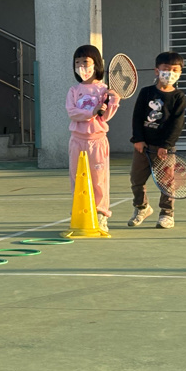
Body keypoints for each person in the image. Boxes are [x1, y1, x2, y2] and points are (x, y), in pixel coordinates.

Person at [128, 51, 186, 229]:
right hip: (143, 147)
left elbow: (177, 124)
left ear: (180, 73)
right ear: (157, 71)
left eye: (175, 70)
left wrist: (165, 145)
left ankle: (167, 214)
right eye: (166, 69)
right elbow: (137, 117)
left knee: (167, 183)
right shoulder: (146, 92)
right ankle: (141, 208)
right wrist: (138, 139)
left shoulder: (179, 97)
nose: (170, 73)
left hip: (164, 150)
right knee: (136, 180)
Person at [66, 44, 120, 233]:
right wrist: (91, 111)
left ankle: (100, 215)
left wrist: (113, 101)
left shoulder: (103, 91)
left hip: (97, 142)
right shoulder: (74, 90)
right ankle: (79, 213)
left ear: (96, 64)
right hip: (76, 141)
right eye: (77, 63)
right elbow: (72, 112)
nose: (82, 66)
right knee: (77, 179)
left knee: (99, 180)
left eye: (85, 62)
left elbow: (105, 117)